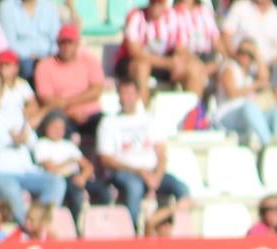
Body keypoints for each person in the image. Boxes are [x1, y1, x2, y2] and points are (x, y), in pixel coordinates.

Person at [0, 69, 67, 226]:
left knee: (56, 183)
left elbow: (33, 142)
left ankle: (39, 224)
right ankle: (28, 229)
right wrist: (7, 140)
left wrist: (25, 138)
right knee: (11, 188)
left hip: (23, 172)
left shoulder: (13, 112)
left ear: (2, 91)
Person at [92, 77, 189, 233]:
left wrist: (157, 176)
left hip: (151, 171)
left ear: (137, 95)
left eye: (130, 93)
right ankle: (135, 230)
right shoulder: (109, 122)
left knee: (182, 189)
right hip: (125, 172)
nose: (126, 98)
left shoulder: (150, 121)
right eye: (123, 93)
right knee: (134, 187)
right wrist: (139, 171)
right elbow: (106, 159)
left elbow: (162, 153)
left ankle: (163, 225)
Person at [121, 0, 211, 98]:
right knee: (142, 67)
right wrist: (167, 63)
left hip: (163, 64)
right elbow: (135, 52)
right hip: (133, 63)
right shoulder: (136, 16)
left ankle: (194, 108)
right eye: (153, 3)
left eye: (159, 3)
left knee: (193, 68)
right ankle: (143, 107)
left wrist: (180, 61)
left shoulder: (173, 17)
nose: (155, 7)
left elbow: (180, 46)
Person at [32, 26, 104, 136]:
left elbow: (96, 91)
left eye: (70, 43)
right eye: (63, 43)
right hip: (61, 114)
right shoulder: (44, 66)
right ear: (57, 44)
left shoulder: (90, 61)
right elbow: (47, 99)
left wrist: (66, 102)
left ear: (77, 44)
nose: (66, 47)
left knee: (107, 125)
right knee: (56, 124)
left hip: (91, 113)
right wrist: (70, 112)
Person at [29, 109, 91, 225]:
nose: (57, 131)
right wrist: (69, 162)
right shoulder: (41, 144)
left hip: (76, 177)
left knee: (104, 192)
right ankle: (75, 227)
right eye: (54, 127)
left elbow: (87, 166)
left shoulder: (69, 145)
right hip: (59, 179)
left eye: (60, 127)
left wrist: (83, 176)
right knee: (76, 196)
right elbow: (51, 168)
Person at [0, 0, 60, 80]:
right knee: (29, 68)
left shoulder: (49, 6)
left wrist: (49, 58)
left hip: (49, 57)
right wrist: (30, 56)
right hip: (23, 60)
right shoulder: (6, 7)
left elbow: (56, 39)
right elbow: (8, 43)